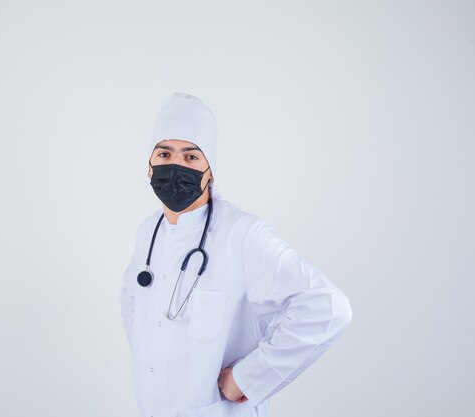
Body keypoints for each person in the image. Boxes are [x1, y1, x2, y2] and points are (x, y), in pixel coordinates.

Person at [119, 92, 352, 417]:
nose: (175, 166)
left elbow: (327, 307)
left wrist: (247, 378)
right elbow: (132, 298)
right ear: (149, 165)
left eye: (190, 157)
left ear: (210, 170)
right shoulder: (148, 232)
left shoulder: (242, 234)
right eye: (164, 153)